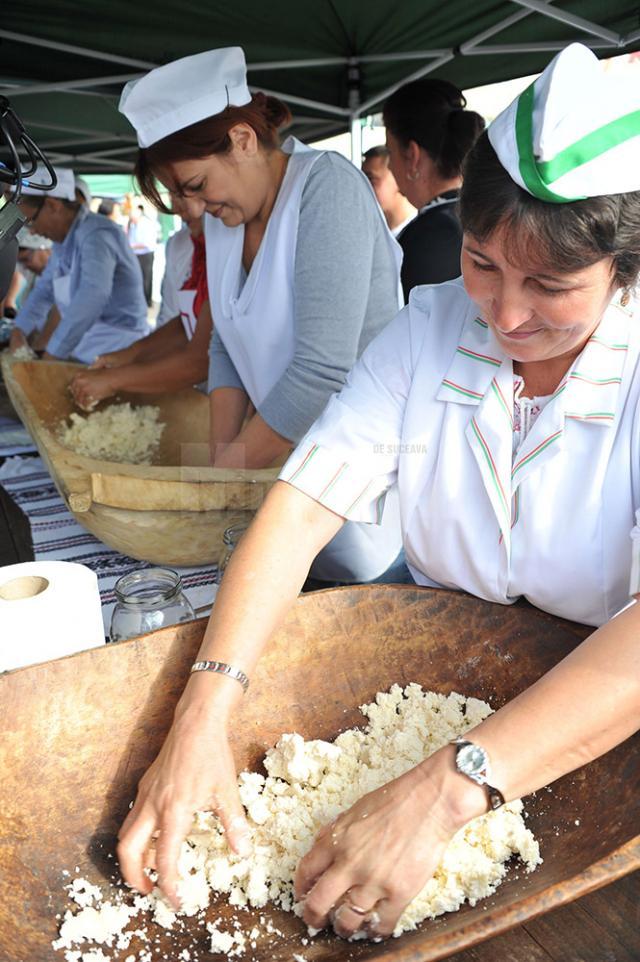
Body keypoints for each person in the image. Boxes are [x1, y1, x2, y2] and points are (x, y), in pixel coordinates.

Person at [115, 44, 640, 940]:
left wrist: (445, 790)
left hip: (601, 722)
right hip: (443, 679)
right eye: (483, 262)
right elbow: (300, 509)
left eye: (551, 287)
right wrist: (204, 709)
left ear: (626, 271)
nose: (507, 316)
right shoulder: (430, 330)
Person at [118, 46, 404, 583]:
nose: (196, 210)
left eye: (196, 186)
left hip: (360, 495)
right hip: (278, 486)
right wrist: (221, 467)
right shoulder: (231, 220)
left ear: (243, 141)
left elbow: (321, 371)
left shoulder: (326, 188)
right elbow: (225, 342)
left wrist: (223, 478)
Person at [69, 210, 210, 408]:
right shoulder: (195, 245)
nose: (177, 205)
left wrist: (115, 379)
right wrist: (130, 355)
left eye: (193, 189)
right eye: (172, 194)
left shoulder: (229, 248)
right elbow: (188, 324)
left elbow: (201, 360)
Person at [8, 167, 149, 363]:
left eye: (31, 221)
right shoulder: (62, 242)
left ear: (52, 205)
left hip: (117, 349)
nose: (31, 232)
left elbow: (93, 295)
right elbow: (44, 291)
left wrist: (53, 353)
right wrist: (19, 330)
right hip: (84, 347)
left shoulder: (97, 235)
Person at [383, 78, 484, 302]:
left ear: (412, 155)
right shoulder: (484, 217)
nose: (389, 166)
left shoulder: (426, 237)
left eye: (390, 152)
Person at [362, 145, 415, 236]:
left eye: (371, 179)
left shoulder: (422, 233)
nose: (364, 187)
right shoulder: (370, 236)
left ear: (398, 177)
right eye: (362, 180)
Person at [127, 203, 158, 306]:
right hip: (136, 254)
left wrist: (131, 246)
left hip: (146, 254)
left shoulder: (146, 224)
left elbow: (147, 243)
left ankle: (147, 301)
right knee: (137, 277)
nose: (132, 220)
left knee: (146, 278)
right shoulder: (132, 224)